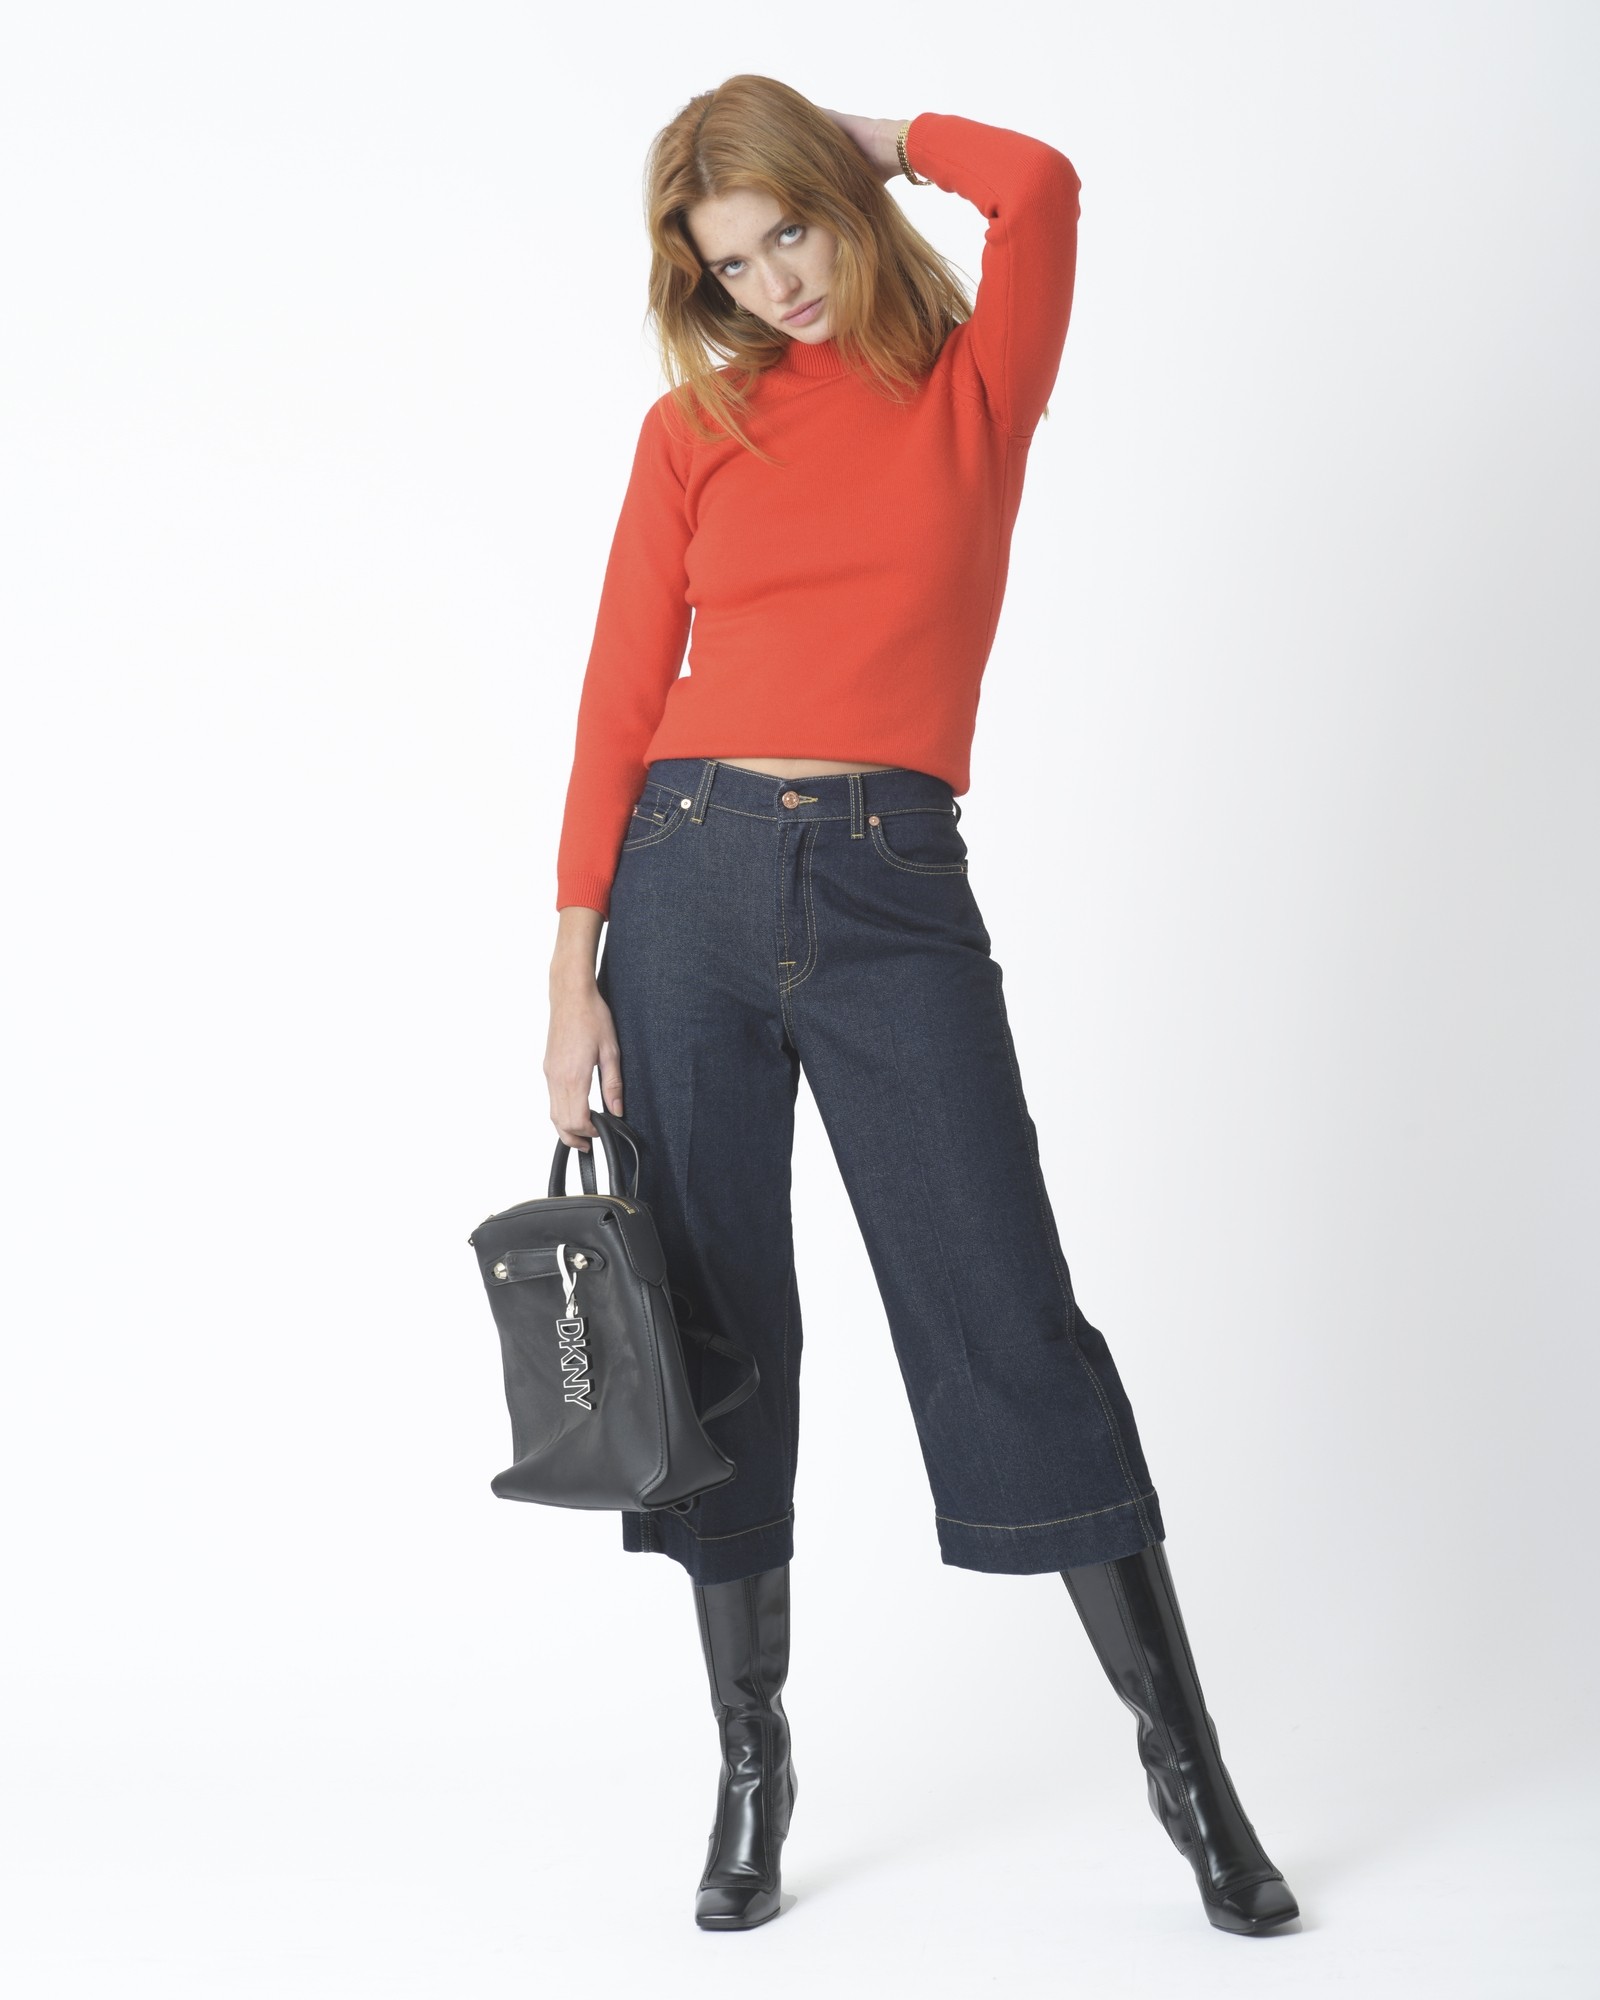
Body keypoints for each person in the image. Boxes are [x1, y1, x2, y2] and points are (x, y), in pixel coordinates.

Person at [543, 74, 1299, 1939]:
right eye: (734, 264)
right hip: (682, 881)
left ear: (840, 202)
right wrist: (570, 967)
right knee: (717, 1335)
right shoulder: (692, 430)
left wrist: (872, 140)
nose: (775, 283)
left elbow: (1039, 185)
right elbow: (620, 691)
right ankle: (752, 1758)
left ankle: (1188, 1771)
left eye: (789, 230)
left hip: (892, 886)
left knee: (1005, 1310)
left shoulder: (973, 388)